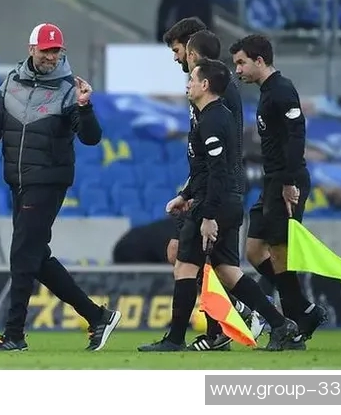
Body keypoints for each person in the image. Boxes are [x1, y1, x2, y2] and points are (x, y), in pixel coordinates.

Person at [0, 22, 121, 352]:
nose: (51, 56)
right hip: (19, 181)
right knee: (35, 256)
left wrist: (85, 107)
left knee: (22, 254)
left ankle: (14, 334)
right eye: (46, 50)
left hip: (48, 180)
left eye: (56, 50)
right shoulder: (10, 83)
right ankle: (97, 316)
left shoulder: (69, 90)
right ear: (31, 49)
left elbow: (91, 138)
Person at [138, 58, 298, 352]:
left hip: (214, 204)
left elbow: (218, 171)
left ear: (205, 84)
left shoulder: (212, 120)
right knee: (227, 271)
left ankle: (174, 339)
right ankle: (281, 325)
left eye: (192, 79)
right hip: (225, 202)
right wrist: (185, 195)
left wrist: (208, 215)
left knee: (185, 267)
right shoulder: (212, 116)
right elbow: (205, 170)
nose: (188, 84)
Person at [162, 18, 263, 351]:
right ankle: (229, 324)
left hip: (219, 189)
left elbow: (219, 153)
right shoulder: (208, 90)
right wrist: (189, 191)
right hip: (214, 186)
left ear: (192, 49)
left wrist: (203, 198)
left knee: (194, 261)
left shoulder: (215, 93)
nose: (177, 58)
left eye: (178, 50)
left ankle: (237, 317)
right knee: (217, 266)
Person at [229, 34, 326, 349]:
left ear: (259, 60)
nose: (237, 70)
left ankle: (292, 326)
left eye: (241, 63)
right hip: (272, 181)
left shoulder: (282, 90)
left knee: (280, 250)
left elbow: (297, 136)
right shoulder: (267, 92)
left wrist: (288, 183)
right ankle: (305, 310)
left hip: (286, 182)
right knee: (254, 251)